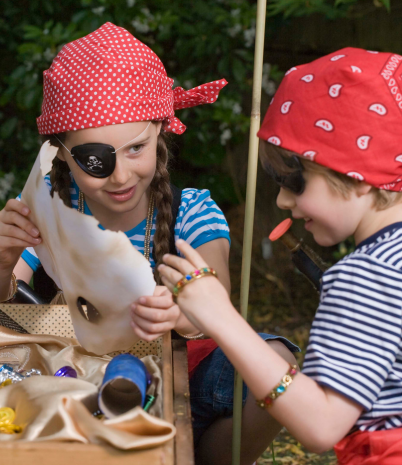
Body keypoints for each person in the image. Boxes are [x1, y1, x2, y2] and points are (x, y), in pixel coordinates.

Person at [0, 23, 299, 465]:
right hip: (73, 379)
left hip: (181, 378)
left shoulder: (191, 213)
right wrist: (5, 256)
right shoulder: (54, 213)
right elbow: (10, 311)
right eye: (95, 160)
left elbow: (216, 296)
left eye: (136, 149)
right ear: (62, 153)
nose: (120, 176)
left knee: (275, 360)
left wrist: (183, 311)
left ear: (161, 129)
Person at [158, 47, 402, 465]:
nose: (284, 199)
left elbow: (321, 425)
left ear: (358, 173)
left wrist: (220, 316)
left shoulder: (365, 275)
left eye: (295, 180)